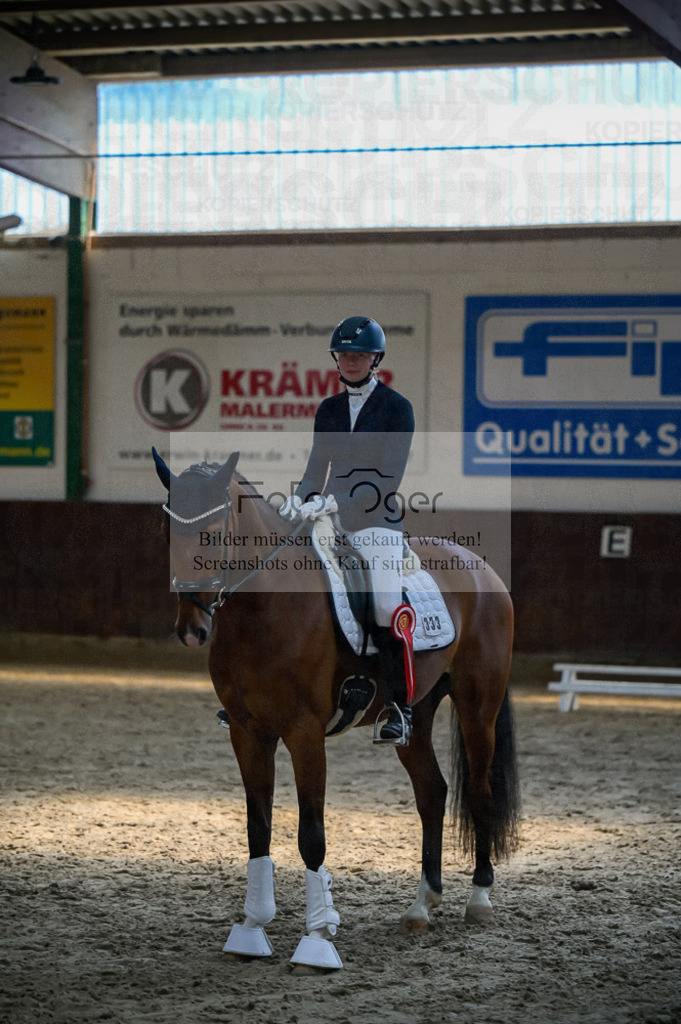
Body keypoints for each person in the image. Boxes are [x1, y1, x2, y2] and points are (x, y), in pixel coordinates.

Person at [279, 315, 415, 744]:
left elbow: (389, 479)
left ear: (376, 358)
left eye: (358, 355)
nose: (350, 361)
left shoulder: (397, 408)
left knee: (384, 605)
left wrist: (337, 502)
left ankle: (399, 707)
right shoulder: (329, 409)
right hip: (327, 519)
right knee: (279, 578)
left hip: (377, 522)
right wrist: (296, 500)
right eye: (344, 354)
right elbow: (315, 470)